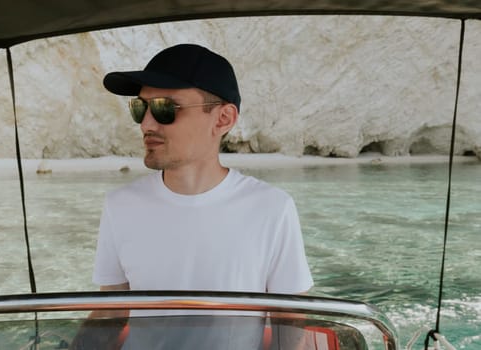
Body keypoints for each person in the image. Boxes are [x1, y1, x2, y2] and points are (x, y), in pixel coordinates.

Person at [73, 43, 313, 349]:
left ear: (223, 119)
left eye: (164, 108)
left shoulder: (272, 209)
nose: (147, 123)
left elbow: (288, 320)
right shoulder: (119, 205)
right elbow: (112, 310)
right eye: (140, 108)